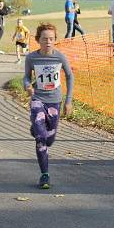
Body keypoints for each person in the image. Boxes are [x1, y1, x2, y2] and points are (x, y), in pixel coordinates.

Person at [24, 23, 74, 189]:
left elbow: (69, 77)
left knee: (49, 139)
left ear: (55, 40)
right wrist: (27, 85)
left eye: (51, 39)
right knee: (41, 138)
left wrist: (68, 101)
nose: (48, 42)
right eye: (45, 39)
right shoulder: (31, 58)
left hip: (54, 101)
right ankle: (44, 175)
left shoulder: (60, 58)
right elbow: (26, 77)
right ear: (38, 40)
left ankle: (38, 129)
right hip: (38, 99)